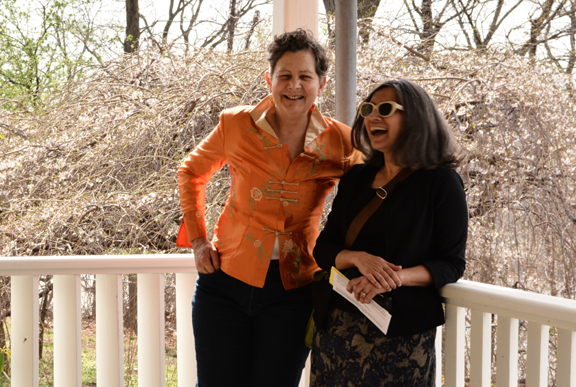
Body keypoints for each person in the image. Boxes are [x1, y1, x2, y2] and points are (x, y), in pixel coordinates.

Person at [176, 29, 358, 387]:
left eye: (305, 76)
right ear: (269, 79)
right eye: (285, 76)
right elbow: (191, 172)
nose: (294, 85)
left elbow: (376, 192)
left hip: (295, 290)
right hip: (225, 280)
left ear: (321, 83)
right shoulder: (235, 123)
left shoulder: (342, 141)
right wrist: (198, 240)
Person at [311, 79, 468, 386]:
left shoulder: (441, 181)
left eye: (385, 109)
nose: (372, 117)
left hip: (401, 336)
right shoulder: (357, 176)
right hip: (338, 328)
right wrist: (359, 259)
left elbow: (451, 263)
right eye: (367, 109)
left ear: (415, 118)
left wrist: (392, 279)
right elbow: (323, 250)